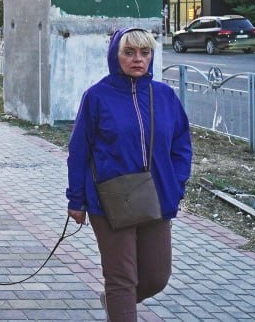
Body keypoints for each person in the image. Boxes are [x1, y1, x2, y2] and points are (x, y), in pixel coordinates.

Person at [66, 28, 192, 320]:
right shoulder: (97, 96)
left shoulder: (164, 96)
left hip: (156, 198)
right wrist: (76, 200)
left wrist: (176, 185)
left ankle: (113, 301)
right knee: (122, 280)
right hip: (109, 200)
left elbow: (181, 145)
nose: (138, 59)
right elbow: (79, 151)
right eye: (129, 52)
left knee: (156, 277)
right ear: (115, 55)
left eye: (144, 53)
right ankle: (118, 302)